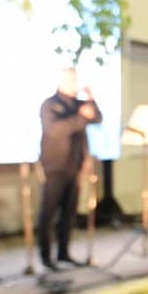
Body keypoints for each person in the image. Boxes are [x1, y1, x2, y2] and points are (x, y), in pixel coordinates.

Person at [37, 68, 102, 271]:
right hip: (55, 166)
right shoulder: (50, 104)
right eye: (69, 79)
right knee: (48, 213)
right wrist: (81, 117)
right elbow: (56, 130)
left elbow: (97, 118)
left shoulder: (79, 104)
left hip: (75, 167)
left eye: (75, 79)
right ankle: (46, 257)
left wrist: (91, 99)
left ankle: (63, 253)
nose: (73, 83)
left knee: (68, 213)